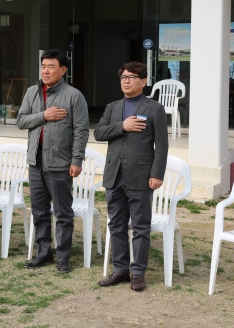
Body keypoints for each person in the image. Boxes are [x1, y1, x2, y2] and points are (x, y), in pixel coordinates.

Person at [95, 61, 168, 291]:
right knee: (116, 224)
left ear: (143, 81)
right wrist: (122, 126)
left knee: (140, 226)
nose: (126, 81)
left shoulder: (154, 108)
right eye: (123, 77)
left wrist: (157, 174)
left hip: (141, 175)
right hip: (114, 175)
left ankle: (138, 272)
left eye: (132, 77)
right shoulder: (112, 107)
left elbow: (162, 145)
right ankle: (120, 270)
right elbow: (98, 133)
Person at [17, 49, 89, 274]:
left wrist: (76, 160)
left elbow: (81, 130)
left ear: (63, 70)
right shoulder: (32, 92)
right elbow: (21, 121)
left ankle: (63, 257)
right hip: (35, 161)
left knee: (63, 213)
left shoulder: (73, 95)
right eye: (43, 66)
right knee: (39, 211)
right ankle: (43, 252)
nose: (46, 71)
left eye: (51, 67)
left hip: (60, 162)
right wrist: (44, 116)